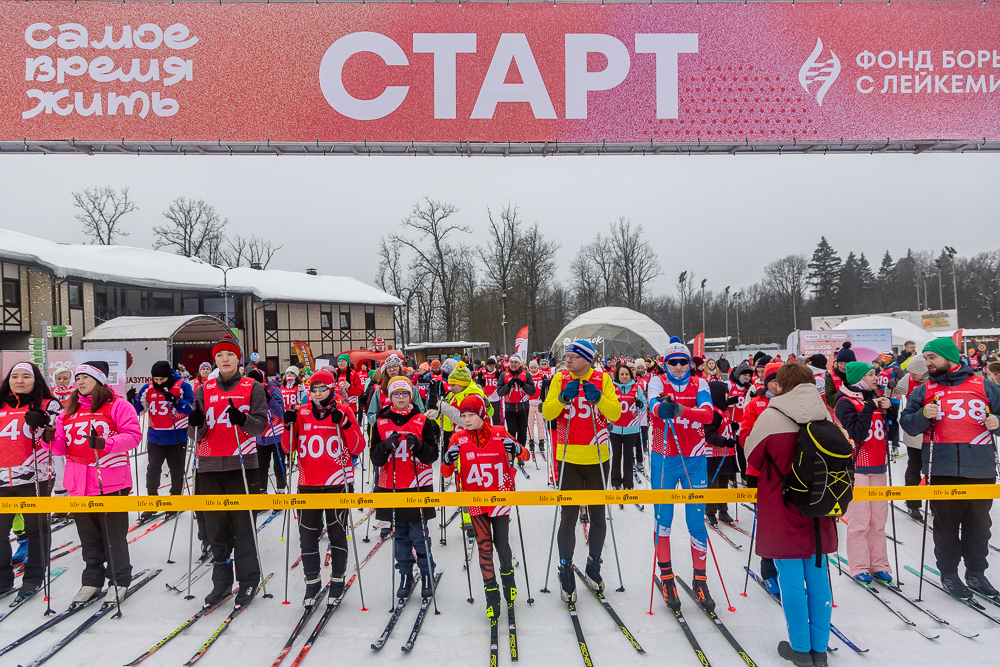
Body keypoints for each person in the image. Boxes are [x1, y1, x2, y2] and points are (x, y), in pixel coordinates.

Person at [746, 362, 837, 667]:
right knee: (819, 576)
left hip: (783, 507)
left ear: (782, 385)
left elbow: (753, 456)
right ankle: (819, 648)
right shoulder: (826, 415)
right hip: (820, 509)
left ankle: (800, 647)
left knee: (792, 582)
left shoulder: (771, 415)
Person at [900, 337, 1000, 599]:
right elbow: (908, 424)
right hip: (941, 468)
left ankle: (976, 574)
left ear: (950, 358)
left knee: (979, 526)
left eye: (932, 357)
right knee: (945, 525)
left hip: (980, 468)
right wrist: (923, 416)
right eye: (925, 357)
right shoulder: (924, 390)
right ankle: (949, 574)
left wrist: (996, 422)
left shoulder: (984, 385)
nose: (927, 362)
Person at [46, 362, 141, 605]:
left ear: (99, 380)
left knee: (113, 536)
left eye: (85, 377)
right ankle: (92, 580)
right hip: (78, 484)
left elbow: (133, 436)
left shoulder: (118, 404)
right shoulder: (69, 410)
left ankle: (119, 579)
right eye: (77, 378)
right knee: (88, 537)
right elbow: (59, 447)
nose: (79, 382)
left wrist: (106, 444)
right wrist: (49, 439)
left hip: (109, 481)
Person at [187, 335, 269, 607]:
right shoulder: (203, 390)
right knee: (216, 528)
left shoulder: (252, 386)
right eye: (220, 356)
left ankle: (248, 581)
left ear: (238, 359)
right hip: (210, 464)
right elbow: (196, 434)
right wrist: (195, 423)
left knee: (243, 527)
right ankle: (221, 582)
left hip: (242, 463)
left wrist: (243, 419)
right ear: (215, 360)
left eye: (230, 355)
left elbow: (261, 426)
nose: (225, 360)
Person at [542, 339, 621, 601]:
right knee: (568, 516)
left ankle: (593, 565)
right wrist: (564, 397)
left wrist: (598, 399)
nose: (568, 359)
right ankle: (566, 568)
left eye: (573, 356)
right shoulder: (560, 378)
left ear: (587, 359)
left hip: (598, 456)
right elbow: (548, 412)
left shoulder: (603, 379)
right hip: (569, 457)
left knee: (598, 516)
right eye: (566, 355)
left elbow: (617, 414)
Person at [441, 394, 528, 620]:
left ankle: (508, 580)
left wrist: (515, 449)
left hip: (499, 497)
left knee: (502, 544)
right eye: (463, 415)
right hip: (475, 500)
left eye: (471, 415)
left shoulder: (499, 433)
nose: (467, 420)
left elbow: (525, 455)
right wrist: (449, 460)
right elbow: (444, 473)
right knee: (484, 546)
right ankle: (491, 593)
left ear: (482, 415)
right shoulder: (458, 438)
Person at [284, 369, 365, 606]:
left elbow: (358, 447)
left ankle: (337, 580)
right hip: (308, 482)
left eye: (323, 388)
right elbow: (288, 449)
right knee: (307, 535)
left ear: (331, 389)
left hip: (337, 482)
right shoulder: (301, 412)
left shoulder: (343, 409)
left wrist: (347, 424)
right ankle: (312, 582)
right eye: (314, 388)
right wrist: (288, 426)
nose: (318, 393)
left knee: (337, 532)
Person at [647, 337, 716, 611]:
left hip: (695, 458)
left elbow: (708, 415)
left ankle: (700, 580)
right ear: (665, 363)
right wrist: (662, 408)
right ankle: (667, 578)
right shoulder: (657, 382)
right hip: (664, 457)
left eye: (683, 361)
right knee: (663, 519)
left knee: (696, 522)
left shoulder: (700, 383)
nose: (677, 367)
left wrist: (679, 409)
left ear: (690, 363)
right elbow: (653, 406)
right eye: (672, 362)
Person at [369, 376, 440, 600]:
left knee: (419, 534)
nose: (401, 398)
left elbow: (432, 456)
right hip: (390, 485)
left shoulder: (422, 420)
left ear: (411, 396)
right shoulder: (380, 421)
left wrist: (418, 445)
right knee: (399, 536)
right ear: (390, 397)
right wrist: (383, 446)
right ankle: (406, 574)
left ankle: (427, 573)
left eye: (405, 394)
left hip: (417, 485)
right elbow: (375, 459)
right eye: (396, 394)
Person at [0, 362, 61, 600]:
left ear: (36, 380)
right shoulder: (2, 404)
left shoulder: (48, 404)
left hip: (34, 477)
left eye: (26, 376)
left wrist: (46, 423)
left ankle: (34, 577)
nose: (20, 381)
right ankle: (3, 580)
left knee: (36, 529)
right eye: (15, 376)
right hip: (2, 480)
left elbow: (59, 433)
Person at [835, 362, 892, 583]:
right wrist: (870, 407)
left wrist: (888, 409)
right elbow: (857, 434)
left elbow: (886, 429)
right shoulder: (844, 402)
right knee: (860, 520)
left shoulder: (873, 398)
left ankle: (879, 563)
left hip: (878, 465)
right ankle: (859, 566)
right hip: (857, 465)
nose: (876, 377)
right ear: (858, 378)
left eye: (875, 373)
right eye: (870, 374)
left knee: (878, 519)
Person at [129, 360, 193, 520]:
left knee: (177, 470)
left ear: (169, 376)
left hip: (177, 436)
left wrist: (177, 402)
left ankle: (175, 500)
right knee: (152, 469)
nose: (158, 383)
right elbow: (140, 410)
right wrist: (131, 401)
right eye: (155, 379)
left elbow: (191, 409)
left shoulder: (182, 386)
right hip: (155, 436)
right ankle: (152, 501)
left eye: (162, 380)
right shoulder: (148, 387)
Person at [248, 366, 288, 494]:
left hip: (276, 434)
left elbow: (280, 412)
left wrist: (269, 400)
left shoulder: (273, 389)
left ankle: (281, 491)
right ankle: (262, 492)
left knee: (278, 466)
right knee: (261, 466)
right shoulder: (250, 391)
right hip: (261, 435)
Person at [704, 380, 738, 527]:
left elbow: (723, 427)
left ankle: (723, 510)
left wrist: (732, 426)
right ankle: (710, 512)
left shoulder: (721, 411)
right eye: (725, 394)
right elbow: (708, 434)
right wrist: (724, 441)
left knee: (724, 484)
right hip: (713, 455)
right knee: (713, 485)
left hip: (726, 455)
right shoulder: (712, 413)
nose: (727, 397)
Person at [609, 363, 645, 490]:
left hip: (631, 428)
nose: (624, 376)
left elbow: (645, 407)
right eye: (622, 374)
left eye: (627, 374)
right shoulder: (612, 388)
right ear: (617, 376)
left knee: (628, 456)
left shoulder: (637, 388)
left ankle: (628, 483)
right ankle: (615, 482)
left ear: (631, 375)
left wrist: (640, 404)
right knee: (616, 456)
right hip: (615, 428)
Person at [497, 355, 535, 453]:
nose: (513, 364)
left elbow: (532, 391)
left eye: (516, 362)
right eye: (512, 362)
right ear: (509, 363)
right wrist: (508, 385)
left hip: (523, 408)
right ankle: (511, 454)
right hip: (510, 408)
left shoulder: (526, 374)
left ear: (519, 364)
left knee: (522, 433)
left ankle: (521, 453)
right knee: (511, 433)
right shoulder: (503, 375)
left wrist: (523, 384)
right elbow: (500, 392)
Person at [825, 343, 855, 408]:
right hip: (839, 411)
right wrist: (845, 389)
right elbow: (830, 401)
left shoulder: (859, 376)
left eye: (847, 363)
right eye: (841, 363)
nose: (843, 367)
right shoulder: (831, 376)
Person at [475, 358, 504, 426]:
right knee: (486, 417)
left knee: (496, 417)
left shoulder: (497, 372)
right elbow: (479, 385)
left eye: (493, 366)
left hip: (495, 398)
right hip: (486, 398)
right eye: (490, 366)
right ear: (487, 365)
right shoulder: (482, 372)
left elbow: (501, 383)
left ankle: (497, 432)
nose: (492, 367)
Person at [527, 360, 546, 453]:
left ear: (537, 368)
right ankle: (530, 441)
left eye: (535, 367)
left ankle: (541, 441)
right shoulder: (527, 376)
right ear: (529, 368)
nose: (533, 369)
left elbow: (545, 387)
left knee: (540, 424)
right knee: (530, 423)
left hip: (539, 402)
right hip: (530, 403)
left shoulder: (541, 375)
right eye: (531, 368)